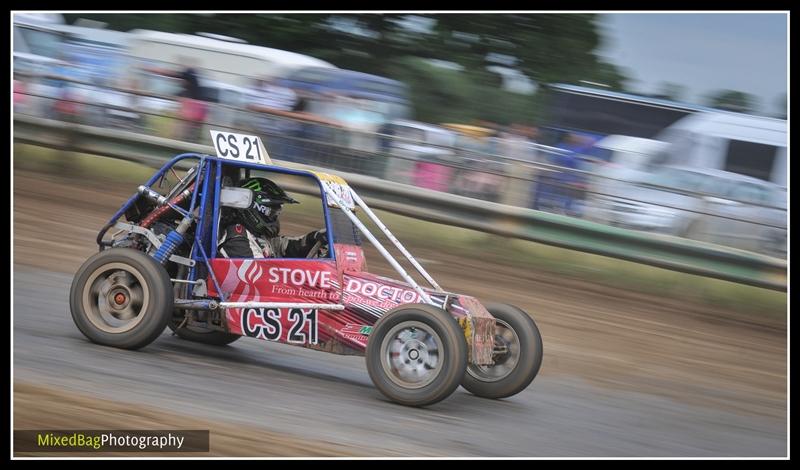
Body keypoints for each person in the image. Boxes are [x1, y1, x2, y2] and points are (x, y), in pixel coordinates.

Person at [218, 177, 327, 258]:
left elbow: (284, 247)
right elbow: (260, 278)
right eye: (272, 213)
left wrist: (314, 238)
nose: (275, 218)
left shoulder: (258, 235)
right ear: (256, 208)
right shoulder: (237, 238)